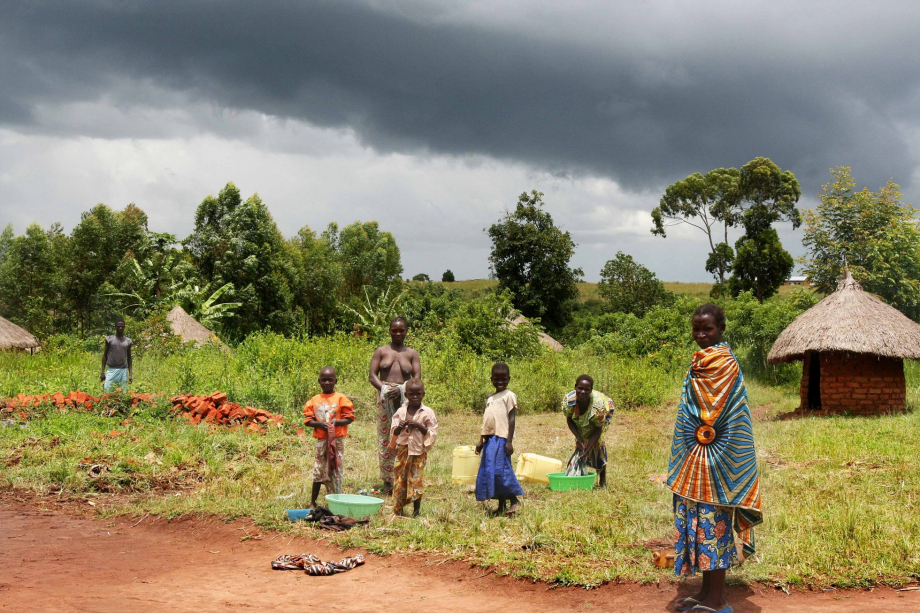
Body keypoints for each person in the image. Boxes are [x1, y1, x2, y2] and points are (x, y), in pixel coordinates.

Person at [668, 304, 762, 613]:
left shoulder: (724, 363)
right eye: (696, 329)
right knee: (699, 527)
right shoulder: (699, 361)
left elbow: (720, 415)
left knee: (714, 530)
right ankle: (706, 593)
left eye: (707, 329)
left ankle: (718, 601)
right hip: (696, 461)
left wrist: (703, 432)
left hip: (719, 465)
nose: (701, 334)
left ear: (721, 329)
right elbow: (692, 412)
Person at [369, 317, 421, 494]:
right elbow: (372, 375)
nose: (398, 333)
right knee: (386, 438)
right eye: (394, 330)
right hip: (384, 399)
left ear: (407, 331)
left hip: (405, 399)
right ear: (389, 331)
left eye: (402, 330)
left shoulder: (412, 353)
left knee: (405, 436)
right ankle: (387, 481)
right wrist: (384, 388)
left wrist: (401, 389)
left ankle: (403, 476)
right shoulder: (381, 351)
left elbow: (416, 379)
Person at [475, 362, 524, 515]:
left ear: (509, 379)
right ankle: (502, 506)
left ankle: (514, 499)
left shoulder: (509, 396)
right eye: (497, 379)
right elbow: (487, 421)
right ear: (492, 379)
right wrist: (481, 440)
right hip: (490, 440)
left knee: (500, 471)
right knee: (490, 471)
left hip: (502, 438)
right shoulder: (491, 398)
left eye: (504, 379)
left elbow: (511, 419)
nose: (500, 382)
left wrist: (509, 441)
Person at [303, 367, 355, 509]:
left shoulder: (341, 399)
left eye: (330, 380)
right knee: (318, 469)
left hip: (337, 441)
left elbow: (349, 418)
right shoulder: (314, 400)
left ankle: (335, 501)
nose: (327, 382)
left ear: (335, 381)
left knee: (335, 468)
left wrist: (336, 423)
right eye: (324, 380)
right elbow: (308, 421)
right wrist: (320, 424)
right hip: (321, 441)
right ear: (319, 381)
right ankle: (313, 502)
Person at [389, 378, 438, 517]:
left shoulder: (427, 412)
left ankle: (416, 512)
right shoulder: (401, 411)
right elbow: (394, 432)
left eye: (418, 394)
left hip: (418, 452)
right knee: (400, 480)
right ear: (406, 394)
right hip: (402, 451)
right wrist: (399, 427)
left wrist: (418, 425)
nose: (415, 397)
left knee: (416, 481)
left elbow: (432, 432)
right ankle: (398, 511)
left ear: (423, 394)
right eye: (411, 394)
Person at [561, 374, 614, 488]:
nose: (583, 392)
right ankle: (578, 473)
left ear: (591, 390)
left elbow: (598, 429)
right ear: (575, 387)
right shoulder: (568, 401)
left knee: (598, 445)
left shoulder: (598, 407)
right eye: (580, 388)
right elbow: (569, 419)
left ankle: (602, 480)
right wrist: (579, 437)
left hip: (603, 414)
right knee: (581, 442)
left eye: (587, 389)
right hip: (580, 417)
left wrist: (589, 447)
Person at [100, 318, 133, 391]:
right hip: (111, 370)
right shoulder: (109, 339)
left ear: (124, 327)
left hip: (123, 371)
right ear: (115, 327)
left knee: (122, 395)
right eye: (118, 326)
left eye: (122, 326)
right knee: (107, 392)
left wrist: (130, 374)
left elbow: (129, 358)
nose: (120, 328)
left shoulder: (128, 341)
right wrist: (102, 372)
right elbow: (104, 355)